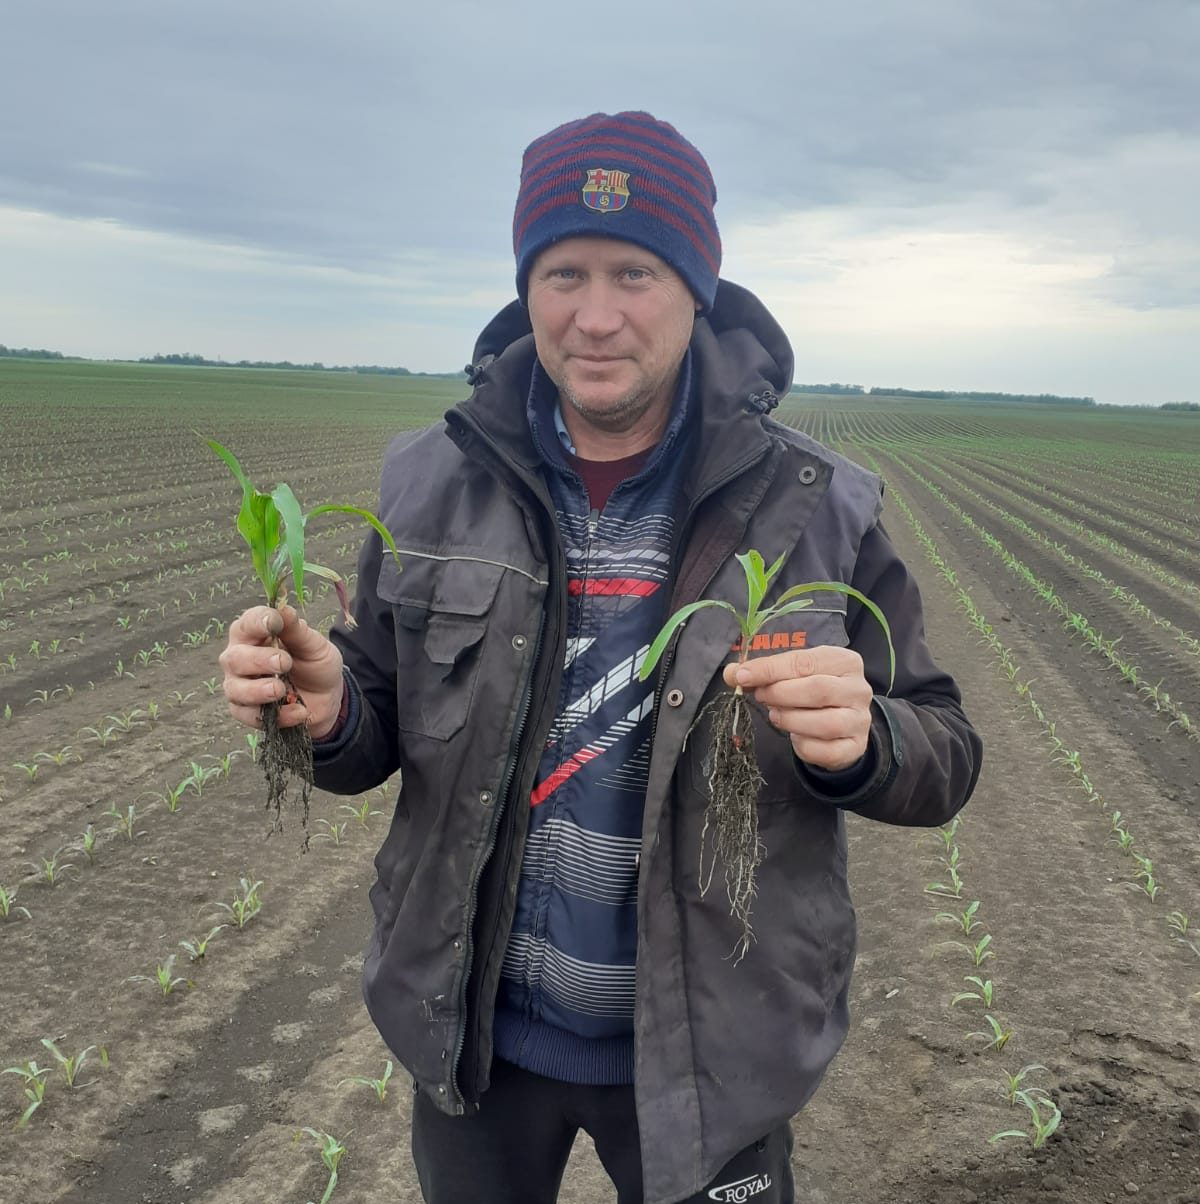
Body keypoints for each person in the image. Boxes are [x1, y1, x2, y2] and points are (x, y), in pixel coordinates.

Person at [220, 111, 983, 1204]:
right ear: (526, 287)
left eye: (635, 272)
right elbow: (375, 721)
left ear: (697, 290)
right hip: (474, 1043)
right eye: (563, 273)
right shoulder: (431, 480)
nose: (595, 316)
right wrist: (329, 712)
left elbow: (945, 751)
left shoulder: (816, 505)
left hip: (713, 1061)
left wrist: (867, 742)